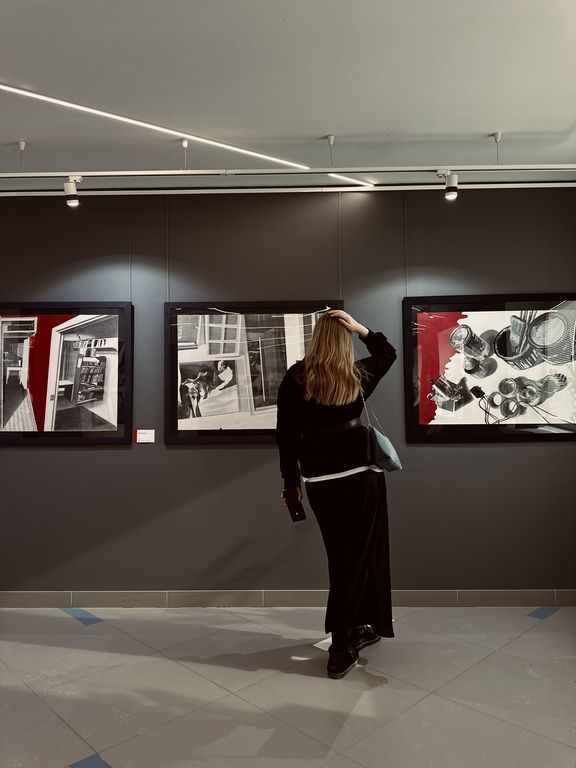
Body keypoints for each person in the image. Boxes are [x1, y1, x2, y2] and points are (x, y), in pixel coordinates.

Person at [276, 309, 397, 679]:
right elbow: (388, 352)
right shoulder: (356, 373)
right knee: (361, 557)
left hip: (320, 481)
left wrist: (291, 483)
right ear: (344, 339)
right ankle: (341, 645)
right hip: (363, 478)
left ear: (315, 339)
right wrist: (360, 328)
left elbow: (285, 436)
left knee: (343, 559)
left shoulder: (296, 377)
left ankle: (357, 628)